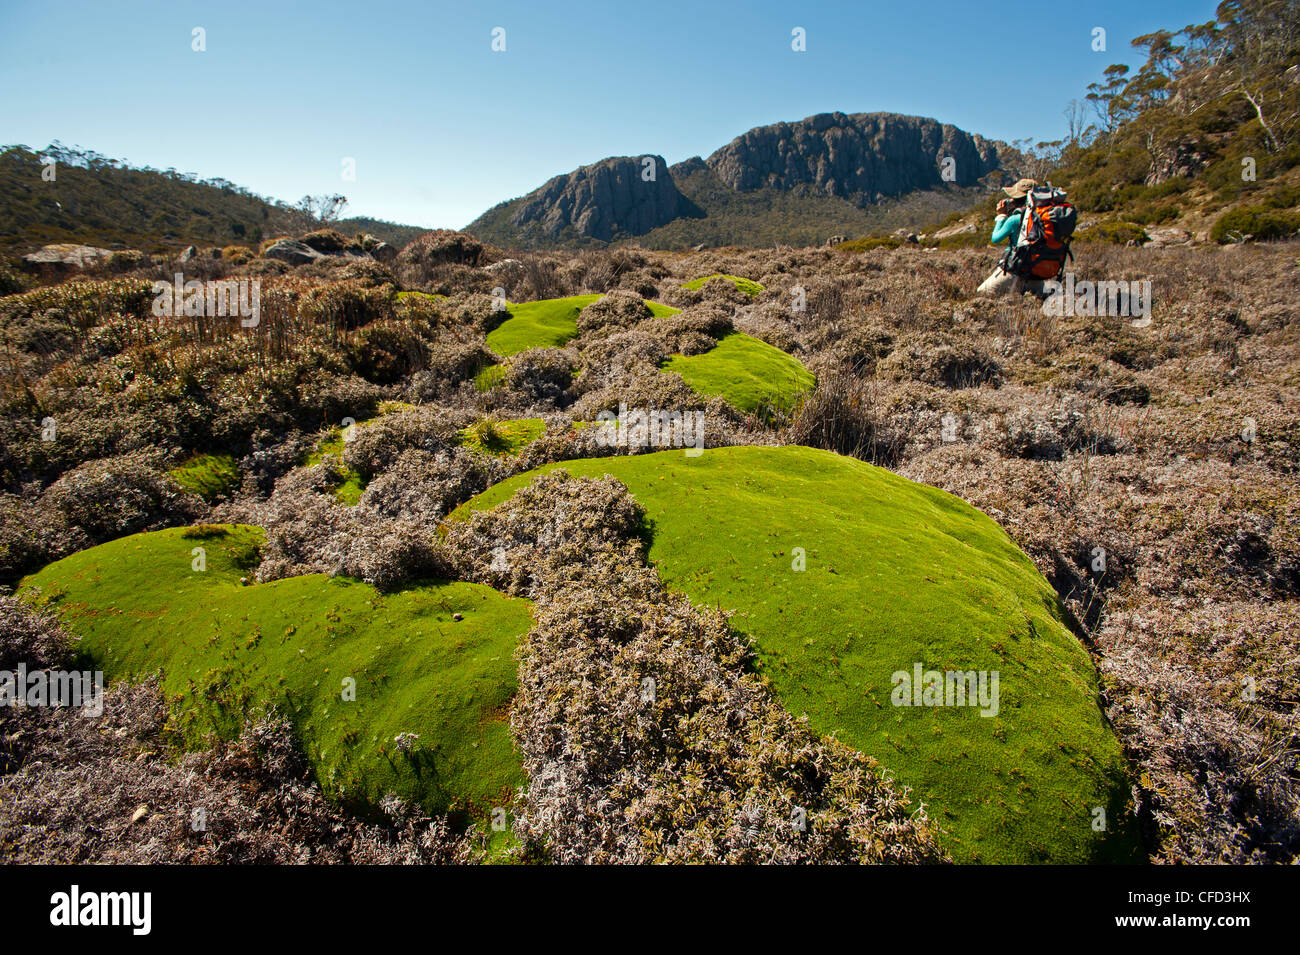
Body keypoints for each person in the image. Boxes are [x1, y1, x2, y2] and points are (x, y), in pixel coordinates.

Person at [976, 178, 1048, 298]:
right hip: (1038, 273)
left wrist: (1001, 215)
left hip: (1017, 270)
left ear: (1017, 199)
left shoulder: (1016, 219)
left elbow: (995, 238)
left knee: (982, 293)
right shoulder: (1043, 217)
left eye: (1013, 197)